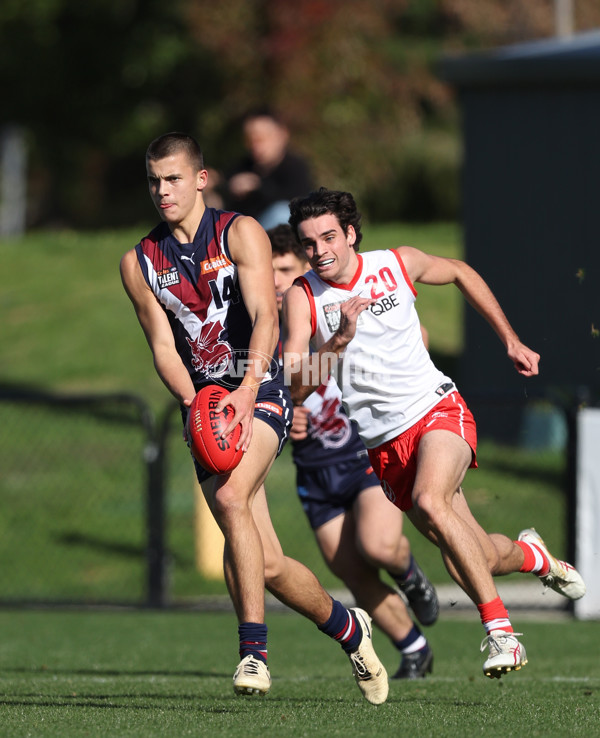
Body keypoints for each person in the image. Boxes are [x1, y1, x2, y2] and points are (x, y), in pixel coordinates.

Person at [119, 135, 388, 704]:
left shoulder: (239, 231)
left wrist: (245, 390)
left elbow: (267, 314)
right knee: (264, 561)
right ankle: (348, 626)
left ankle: (253, 653)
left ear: (200, 178)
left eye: (172, 179)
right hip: (208, 404)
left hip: (260, 383)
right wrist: (197, 404)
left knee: (231, 499)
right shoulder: (139, 262)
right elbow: (164, 349)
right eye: (153, 181)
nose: (162, 191)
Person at [282, 187, 586, 679]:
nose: (320, 251)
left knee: (430, 500)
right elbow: (297, 384)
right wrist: (338, 340)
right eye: (309, 242)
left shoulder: (396, 263)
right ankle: (534, 556)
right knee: (474, 556)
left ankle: (501, 634)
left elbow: (461, 272)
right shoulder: (302, 297)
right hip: (385, 446)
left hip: (437, 409)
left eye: (329, 237)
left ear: (351, 234)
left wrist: (509, 339)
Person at [269, 224, 438, 679]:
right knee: (351, 572)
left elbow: (412, 335)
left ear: (304, 270)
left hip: (358, 455)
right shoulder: (264, 334)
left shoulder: (330, 308)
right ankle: (414, 648)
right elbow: (272, 396)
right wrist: (287, 416)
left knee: (378, 545)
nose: (276, 282)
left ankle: (409, 574)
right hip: (314, 472)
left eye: (284, 270)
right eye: (267, 273)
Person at [222, 107, 313, 230]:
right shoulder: (242, 167)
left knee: (282, 213)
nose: (256, 145)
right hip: (242, 234)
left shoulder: (296, 168)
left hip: (275, 237)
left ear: (282, 135)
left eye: (263, 138)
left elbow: (298, 203)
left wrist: (258, 188)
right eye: (251, 139)